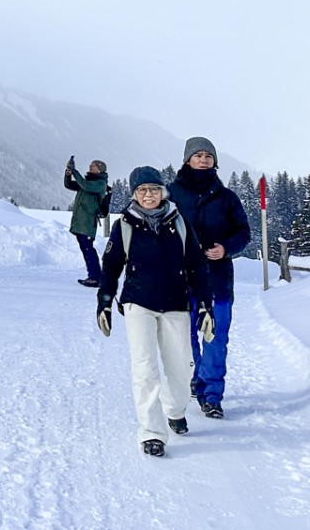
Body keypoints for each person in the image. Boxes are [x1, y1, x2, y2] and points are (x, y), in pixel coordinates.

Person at [96, 166, 214, 457]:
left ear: (163, 192)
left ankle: (174, 409)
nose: (149, 195)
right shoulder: (124, 225)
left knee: (180, 366)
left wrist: (205, 305)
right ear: (135, 194)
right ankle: (151, 432)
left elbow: (197, 265)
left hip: (176, 303)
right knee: (145, 368)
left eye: (154, 189)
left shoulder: (179, 222)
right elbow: (111, 265)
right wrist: (105, 301)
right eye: (142, 190)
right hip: (138, 303)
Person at [166, 136, 251, 419]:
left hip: (218, 281)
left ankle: (212, 394)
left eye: (208, 155)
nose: (203, 159)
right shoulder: (171, 194)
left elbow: (243, 232)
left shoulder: (227, 197)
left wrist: (225, 248)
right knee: (184, 336)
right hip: (181, 280)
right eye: (198, 155)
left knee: (216, 337)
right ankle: (195, 376)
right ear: (187, 159)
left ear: (214, 161)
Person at [63, 156, 109, 286]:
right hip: (81, 222)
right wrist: (68, 173)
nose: (90, 167)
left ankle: (95, 277)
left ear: (99, 170)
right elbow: (68, 185)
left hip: (87, 222)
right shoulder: (88, 181)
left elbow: (85, 185)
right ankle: (95, 276)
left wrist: (75, 171)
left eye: (93, 166)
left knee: (88, 249)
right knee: (86, 249)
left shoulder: (100, 184)